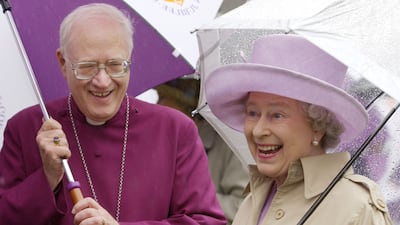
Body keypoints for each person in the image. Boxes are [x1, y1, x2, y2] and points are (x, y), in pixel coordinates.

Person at [0, 3, 226, 225]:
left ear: (130, 58)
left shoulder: (176, 130)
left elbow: (206, 221)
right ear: (63, 62)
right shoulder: (26, 128)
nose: (102, 81)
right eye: (87, 66)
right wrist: (47, 178)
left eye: (115, 65)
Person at [204, 34, 393, 225]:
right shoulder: (252, 200)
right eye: (252, 113)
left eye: (277, 115)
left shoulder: (357, 208)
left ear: (318, 126)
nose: (258, 130)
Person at [156, 79, 249, 224]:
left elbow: (242, 207)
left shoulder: (229, 146)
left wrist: (187, 197)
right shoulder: (165, 142)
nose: (158, 105)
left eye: (165, 100)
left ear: (189, 112)